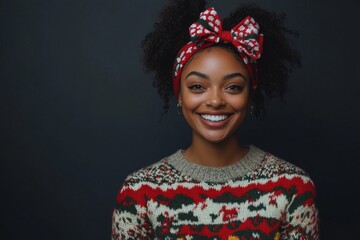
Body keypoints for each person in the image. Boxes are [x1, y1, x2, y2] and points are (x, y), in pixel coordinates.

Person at [111, 0, 319, 239]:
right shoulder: (139, 194)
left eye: (233, 87)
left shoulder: (292, 189)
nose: (216, 100)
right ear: (179, 94)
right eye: (198, 86)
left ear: (250, 94)